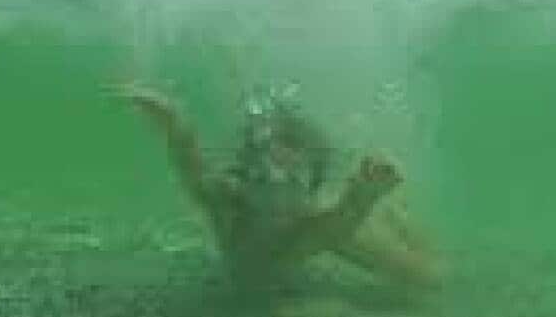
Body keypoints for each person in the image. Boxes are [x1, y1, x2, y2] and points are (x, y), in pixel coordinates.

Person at [116, 82, 441, 290]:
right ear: (244, 177)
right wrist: (173, 123)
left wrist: (370, 194)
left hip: (326, 216)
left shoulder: (317, 225)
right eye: (262, 177)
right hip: (314, 211)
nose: (275, 198)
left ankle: (395, 210)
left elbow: (350, 213)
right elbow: (190, 164)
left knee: (424, 279)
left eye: (289, 184)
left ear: (307, 189)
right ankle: (385, 205)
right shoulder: (227, 203)